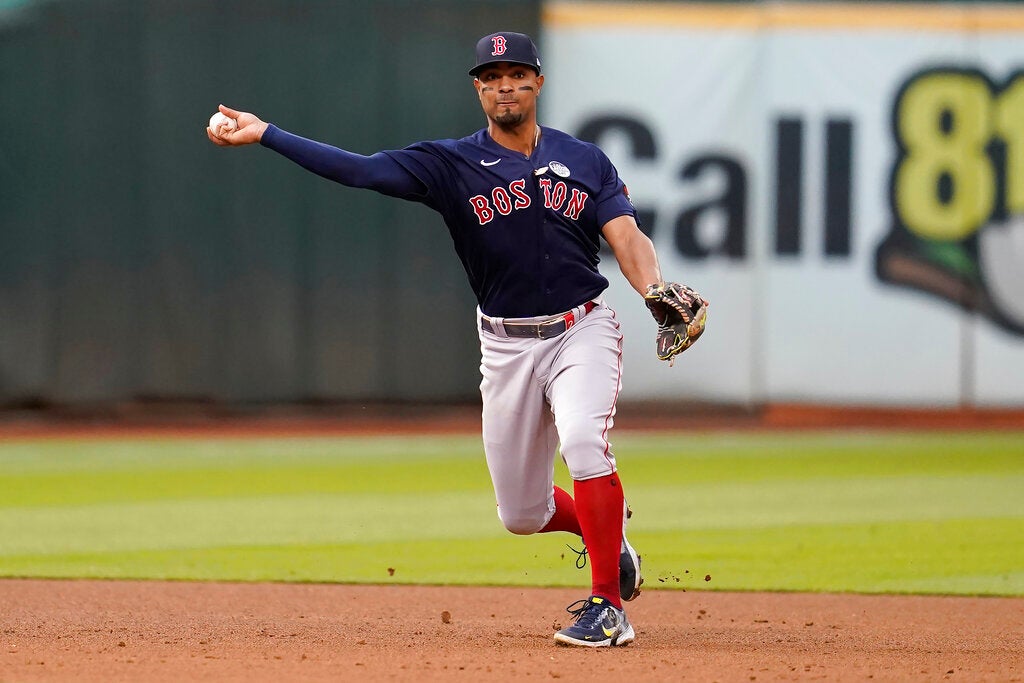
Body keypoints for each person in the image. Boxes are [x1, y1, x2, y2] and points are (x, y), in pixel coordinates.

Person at [207, 31, 705, 648]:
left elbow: (625, 235)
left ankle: (607, 606)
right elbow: (362, 172)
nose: (505, 85)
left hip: (582, 328)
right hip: (504, 342)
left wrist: (652, 287)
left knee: (583, 440)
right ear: (477, 88)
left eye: (517, 74)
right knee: (522, 514)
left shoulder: (585, 160)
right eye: (492, 76)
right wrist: (267, 133)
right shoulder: (449, 164)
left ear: (538, 83)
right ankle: (604, 535)